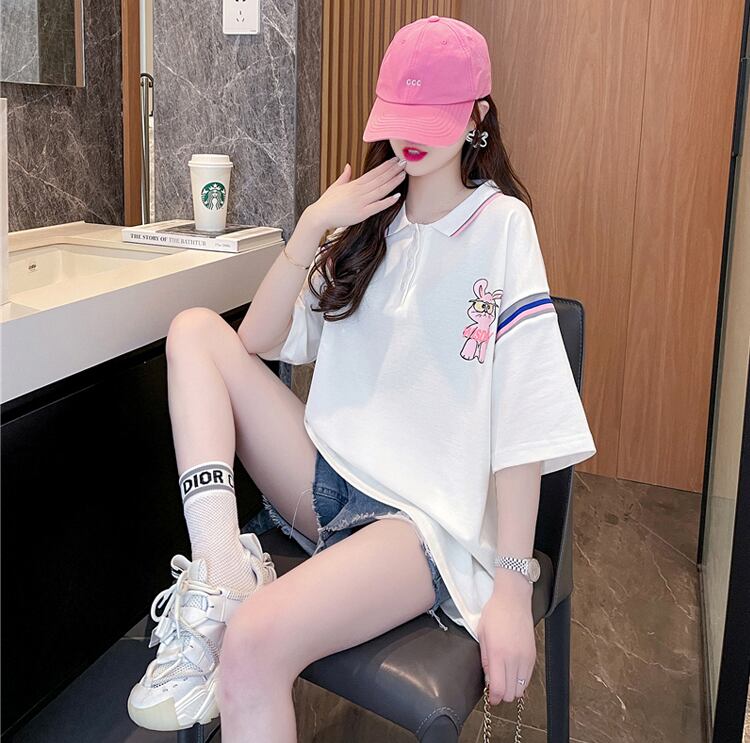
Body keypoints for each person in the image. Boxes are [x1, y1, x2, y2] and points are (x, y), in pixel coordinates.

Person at [127, 14, 596, 742]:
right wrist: (314, 223)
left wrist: (511, 585)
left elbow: (523, 414)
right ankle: (222, 573)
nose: (411, 138)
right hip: (325, 482)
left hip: (415, 524)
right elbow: (254, 341)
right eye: (401, 116)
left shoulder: (502, 227)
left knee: (252, 646)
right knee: (193, 331)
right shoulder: (367, 228)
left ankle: (236, 613)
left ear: (477, 116)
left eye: (431, 118)